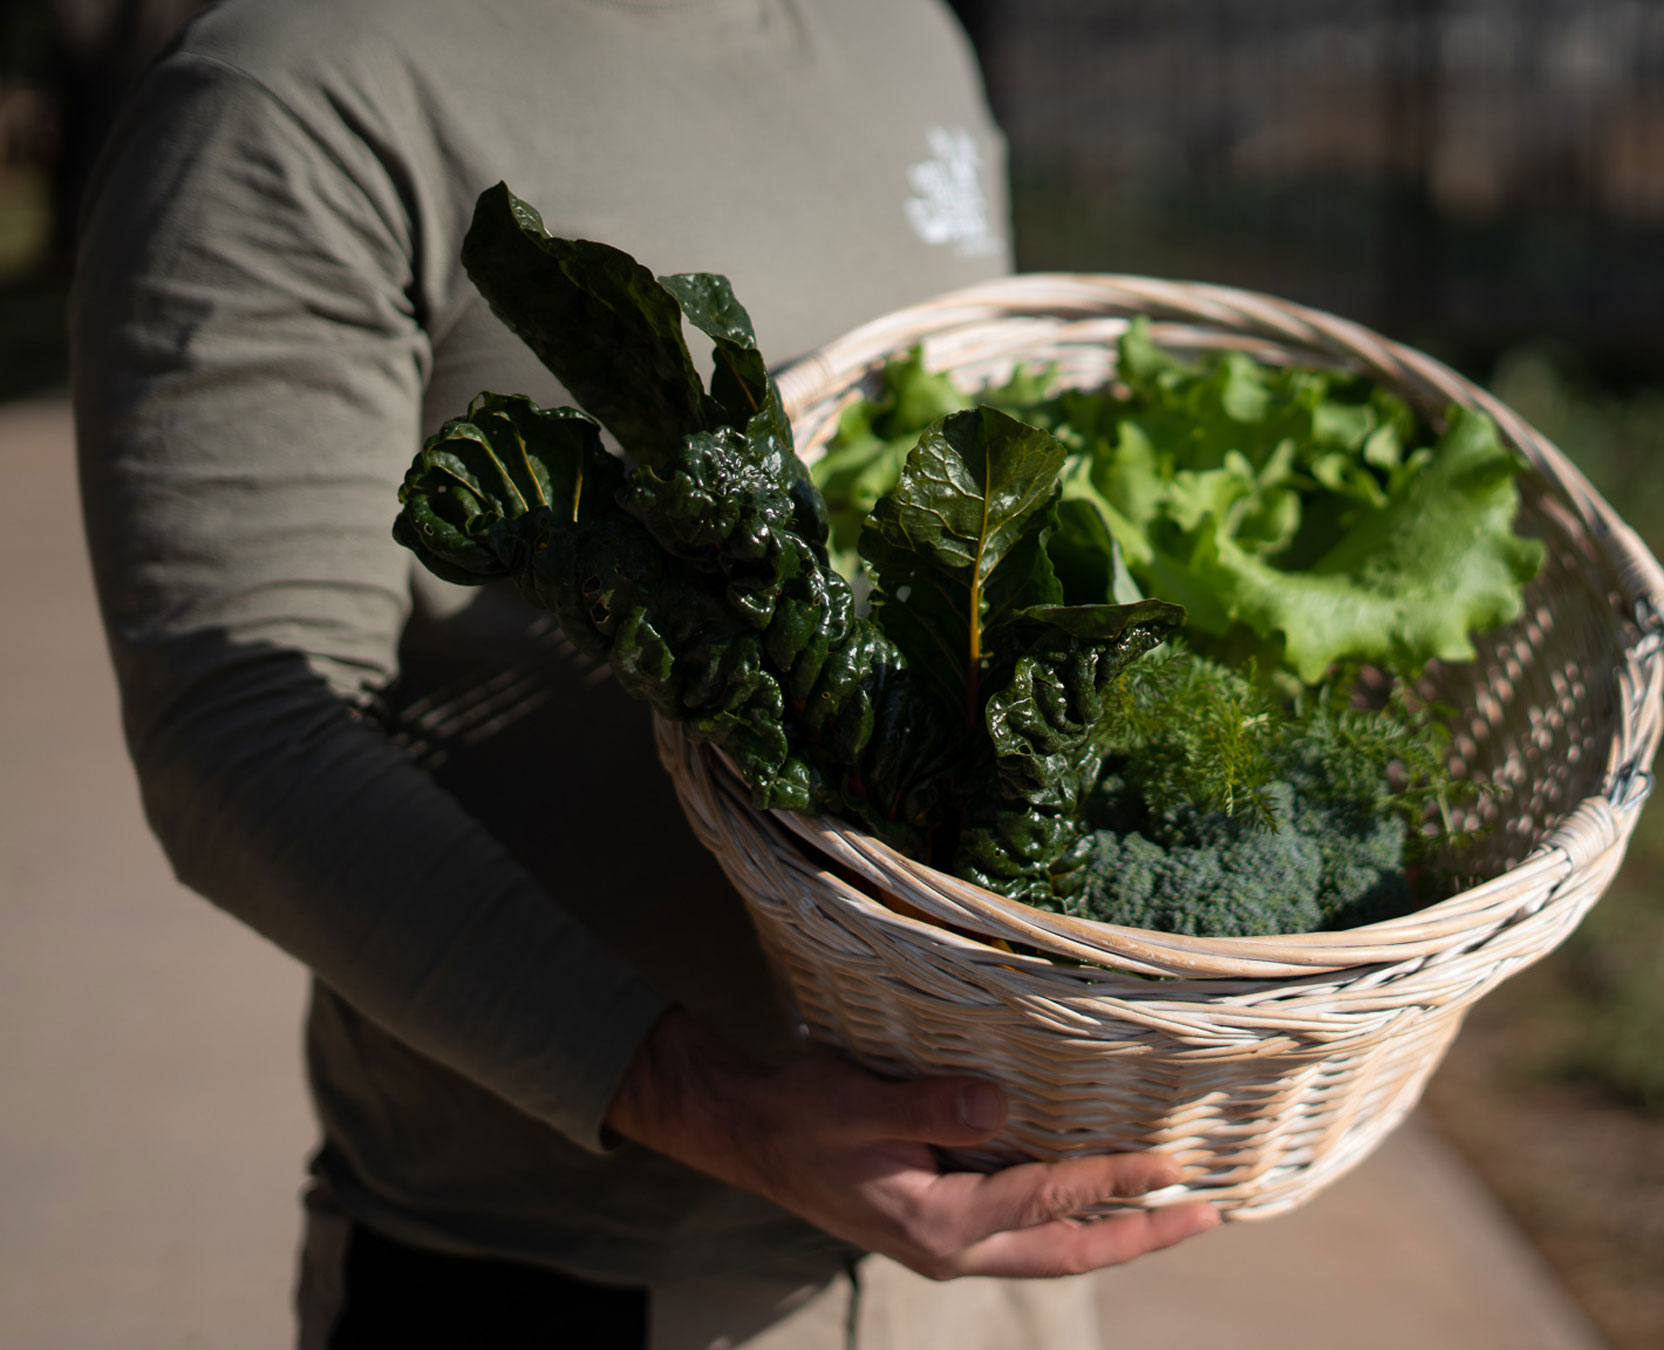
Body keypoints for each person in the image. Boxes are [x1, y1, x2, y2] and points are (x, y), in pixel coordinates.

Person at [69, 0, 1216, 1345]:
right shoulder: (296, 88)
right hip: (573, 1275)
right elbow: (241, 731)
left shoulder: (907, 40)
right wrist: (715, 1102)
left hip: (993, 1285)